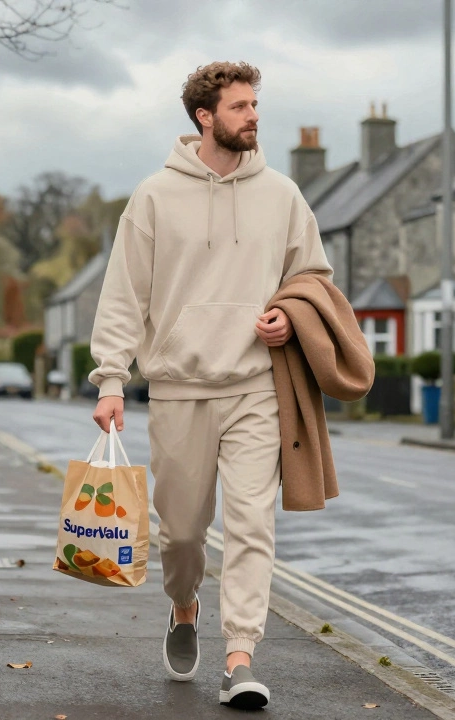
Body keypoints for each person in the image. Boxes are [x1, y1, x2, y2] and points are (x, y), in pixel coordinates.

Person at [88, 61, 331, 710]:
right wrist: (112, 377)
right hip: (178, 390)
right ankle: (184, 607)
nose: (254, 115)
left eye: (257, 104)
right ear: (205, 117)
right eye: (241, 106)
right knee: (184, 533)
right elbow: (123, 297)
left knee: (253, 524)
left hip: (256, 389)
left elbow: (314, 277)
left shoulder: (281, 195)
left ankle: (241, 658)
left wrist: (291, 314)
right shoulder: (154, 197)